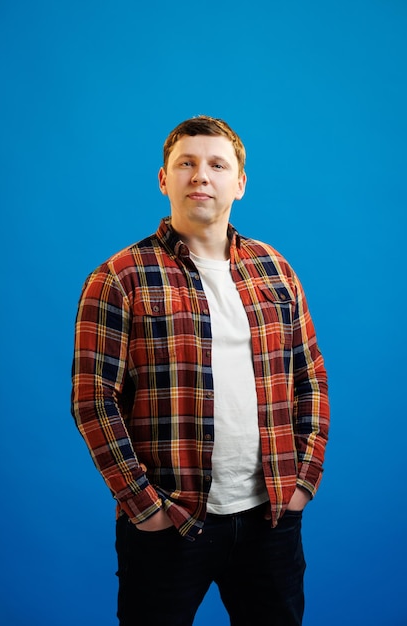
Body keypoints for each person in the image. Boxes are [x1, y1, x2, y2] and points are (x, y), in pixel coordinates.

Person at [71, 115, 330, 626]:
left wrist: (304, 478)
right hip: (172, 522)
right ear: (164, 179)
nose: (201, 176)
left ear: (240, 183)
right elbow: (94, 401)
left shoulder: (275, 270)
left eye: (217, 164)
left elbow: (311, 377)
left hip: (271, 517)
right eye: (185, 164)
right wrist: (144, 507)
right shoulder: (119, 278)